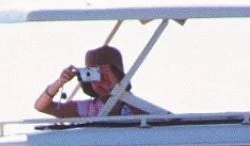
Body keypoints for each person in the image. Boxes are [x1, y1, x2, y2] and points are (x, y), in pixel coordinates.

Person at [34, 46, 169, 119]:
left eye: (105, 76)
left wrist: (115, 88)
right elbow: (42, 107)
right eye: (95, 76)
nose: (100, 83)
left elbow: (164, 120)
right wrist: (59, 82)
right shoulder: (90, 108)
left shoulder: (134, 104)